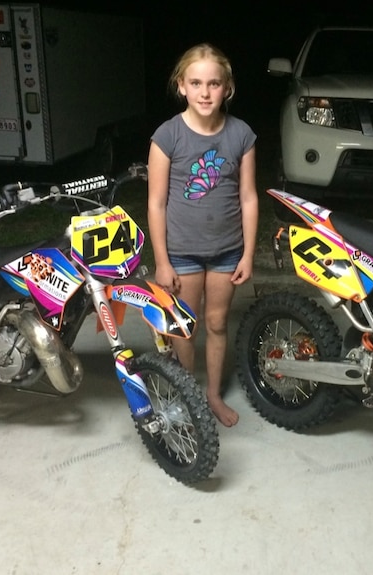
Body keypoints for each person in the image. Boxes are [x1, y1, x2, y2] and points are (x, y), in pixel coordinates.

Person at [147, 43, 258, 427]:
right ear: (182, 86)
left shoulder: (241, 134)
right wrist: (161, 261)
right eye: (196, 83)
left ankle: (211, 395)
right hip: (182, 253)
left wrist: (247, 254)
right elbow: (156, 203)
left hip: (227, 251)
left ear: (227, 87)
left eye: (214, 83)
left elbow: (248, 197)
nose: (205, 92)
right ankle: (188, 394)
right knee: (184, 327)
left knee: (216, 323)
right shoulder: (167, 136)